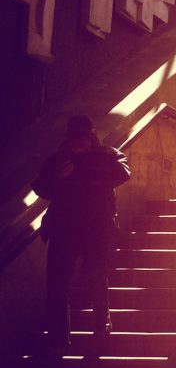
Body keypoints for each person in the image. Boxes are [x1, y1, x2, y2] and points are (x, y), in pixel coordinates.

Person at [33, 115, 131, 346]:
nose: (78, 142)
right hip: (64, 229)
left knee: (95, 279)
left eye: (82, 137)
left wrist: (90, 164)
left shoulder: (107, 155)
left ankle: (100, 327)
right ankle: (60, 336)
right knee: (58, 284)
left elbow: (123, 173)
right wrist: (57, 177)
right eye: (74, 137)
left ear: (91, 135)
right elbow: (42, 188)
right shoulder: (58, 160)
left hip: (95, 229)